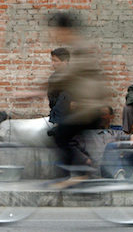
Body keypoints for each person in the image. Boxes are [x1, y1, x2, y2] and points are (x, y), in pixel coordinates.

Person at [45, 12, 109, 188]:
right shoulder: (77, 46)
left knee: (61, 135)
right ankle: (76, 174)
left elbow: (69, 75)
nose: (55, 34)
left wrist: (34, 91)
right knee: (62, 135)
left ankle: (80, 173)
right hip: (86, 108)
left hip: (88, 109)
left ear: (64, 29)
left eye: (56, 30)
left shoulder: (80, 47)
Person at [47, 48, 71, 126]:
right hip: (57, 117)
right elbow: (51, 100)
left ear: (65, 62)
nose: (53, 63)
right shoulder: (53, 78)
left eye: (55, 61)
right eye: (52, 60)